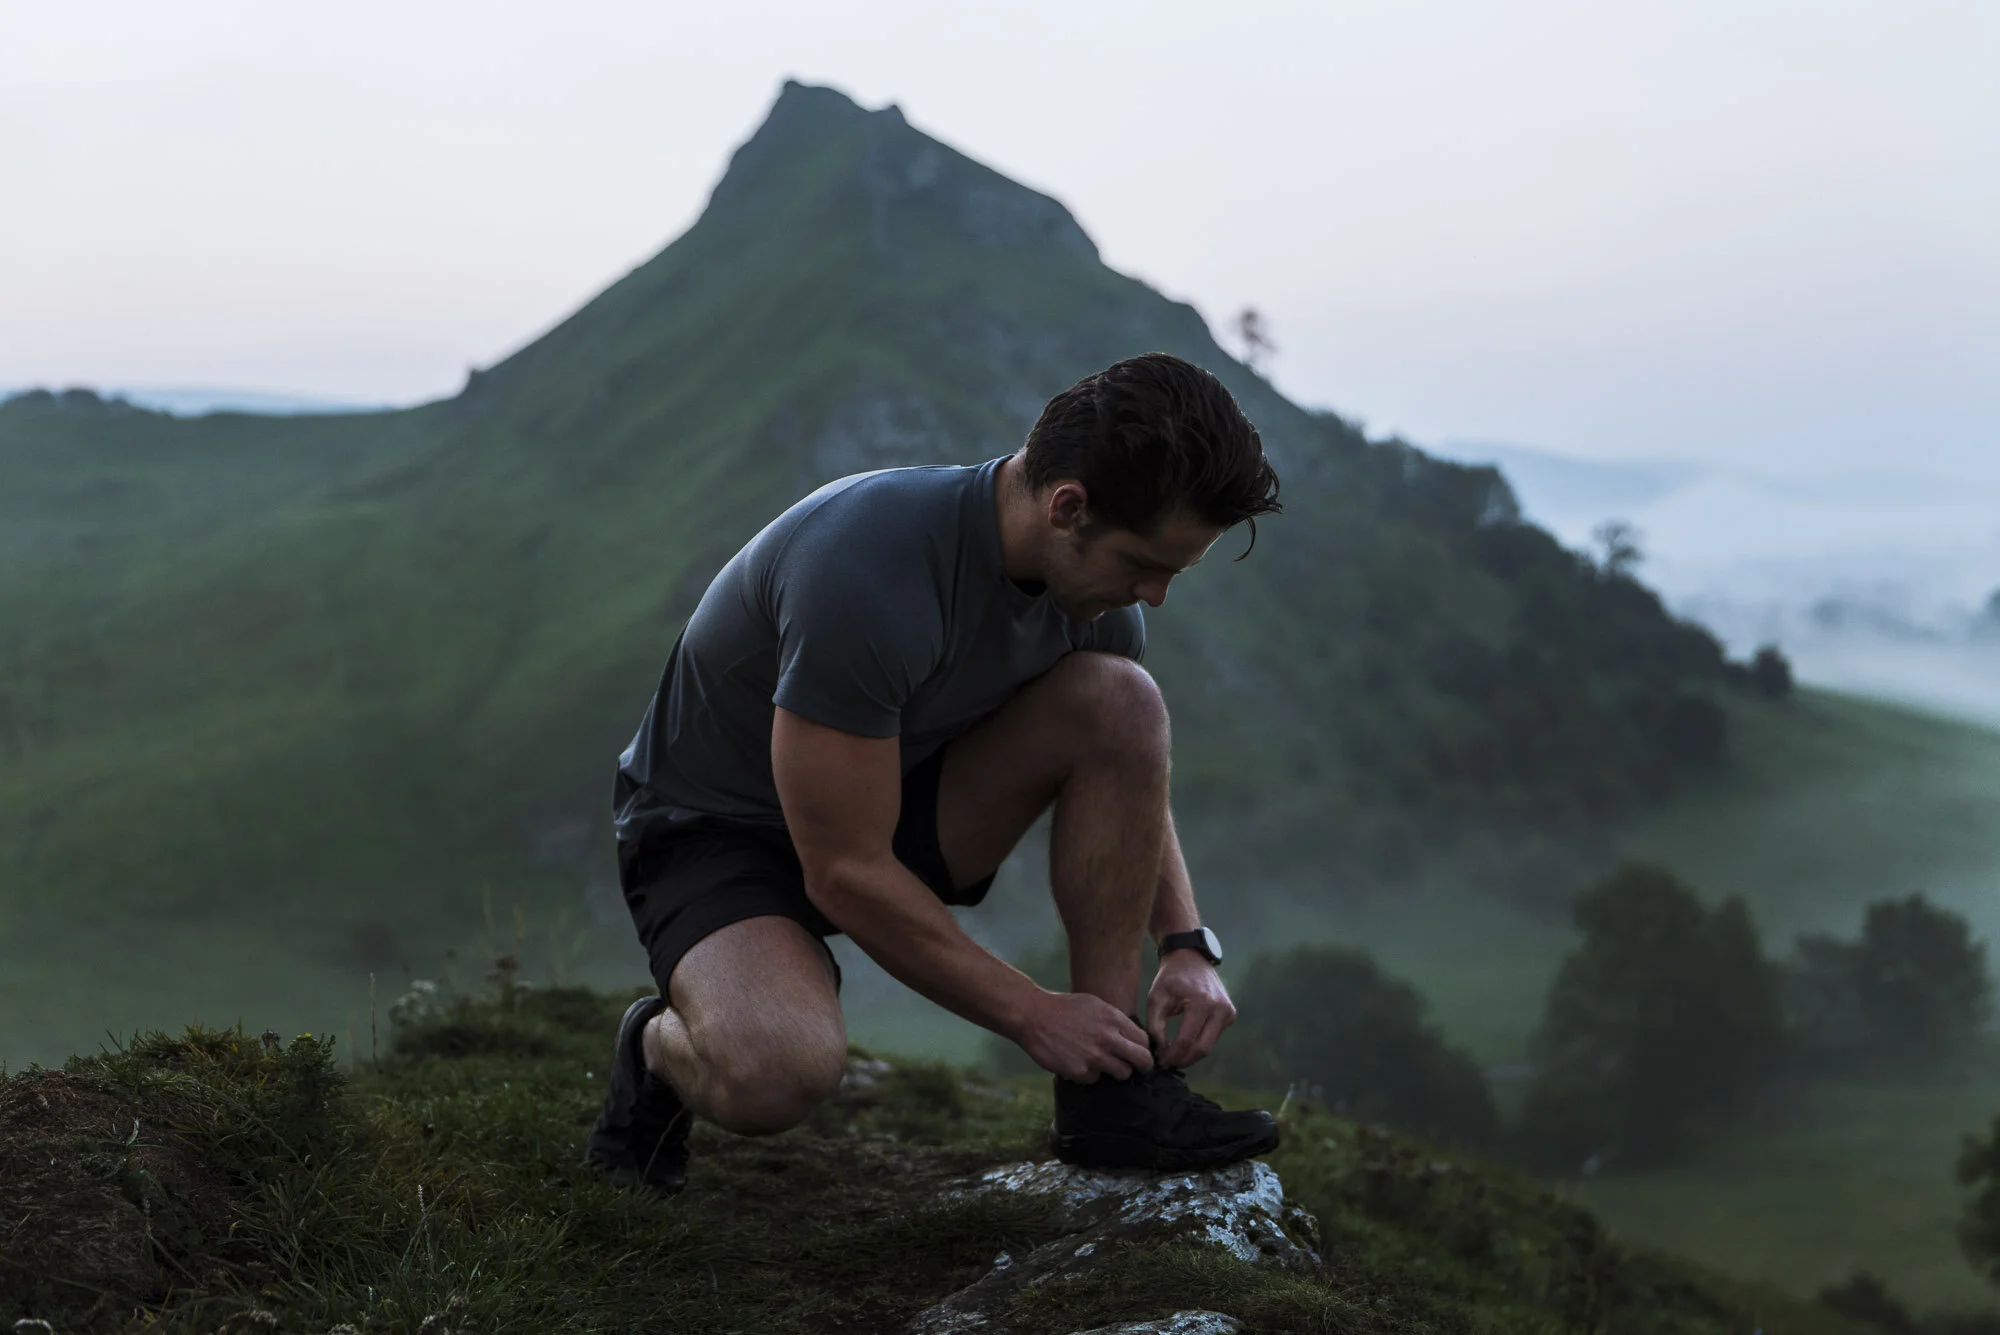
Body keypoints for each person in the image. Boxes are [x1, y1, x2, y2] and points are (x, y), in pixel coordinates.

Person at [585, 352, 1284, 1194]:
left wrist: (1185, 942)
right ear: (1068, 507)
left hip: (888, 798)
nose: (1156, 594)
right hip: (713, 832)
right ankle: (653, 1049)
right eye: (1144, 564)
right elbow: (843, 871)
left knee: (1123, 698)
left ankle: (1111, 1092)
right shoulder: (864, 572)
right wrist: (1033, 1013)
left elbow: (1130, 769)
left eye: (1173, 572)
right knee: (774, 1072)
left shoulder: (1095, 607)